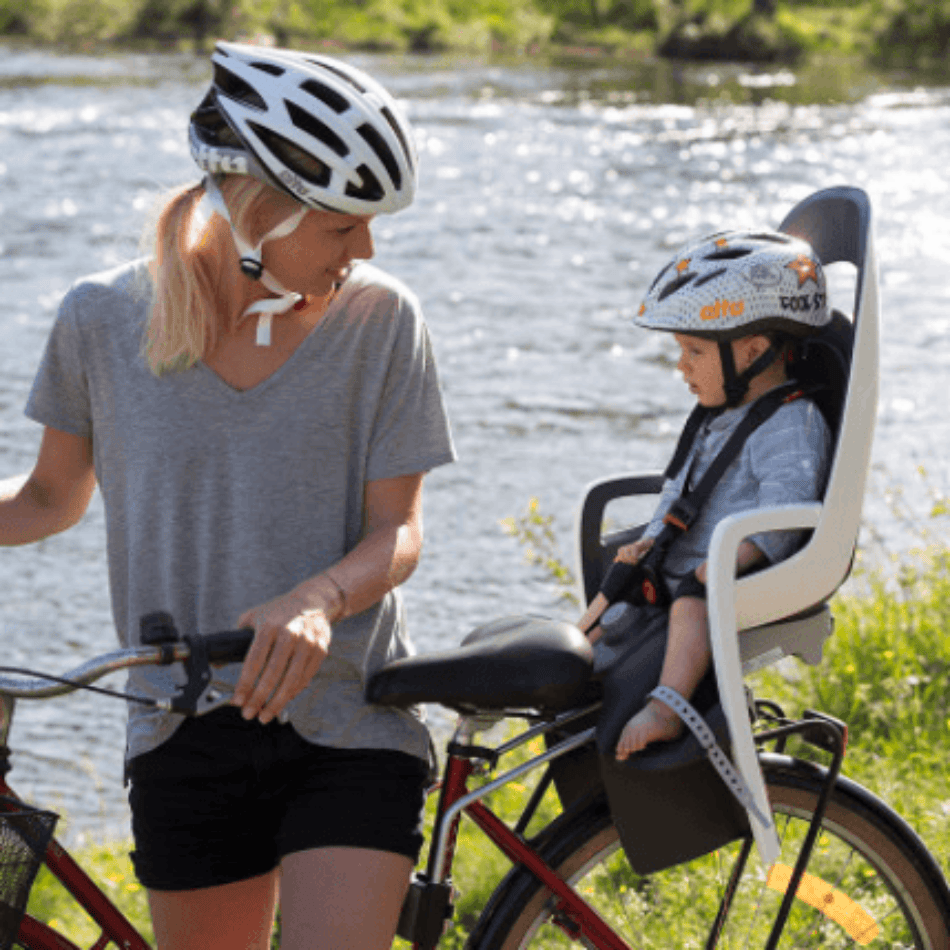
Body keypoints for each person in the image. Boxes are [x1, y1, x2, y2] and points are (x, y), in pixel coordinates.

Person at [0, 42, 455, 950]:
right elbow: (50, 497)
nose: (363, 248)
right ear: (257, 214)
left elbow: (397, 531)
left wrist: (318, 601)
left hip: (349, 718)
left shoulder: (382, 320)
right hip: (182, 727)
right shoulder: (99, 319)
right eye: (341, 225)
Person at [576, 229, 832, 762]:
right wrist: (648, 541)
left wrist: (724, 561)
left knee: (692, 603)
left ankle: (668, 707)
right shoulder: (720, 416)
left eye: (694, 350)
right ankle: (570, 661)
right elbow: (680, 488)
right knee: (603, 621)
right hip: (680, 557)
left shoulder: (791, 424)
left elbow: (786, 509)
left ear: (755, 352)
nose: (681, 366)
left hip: (717, 576)